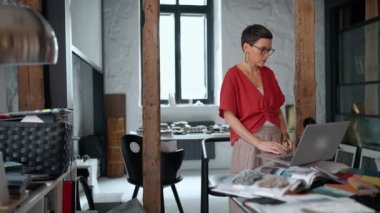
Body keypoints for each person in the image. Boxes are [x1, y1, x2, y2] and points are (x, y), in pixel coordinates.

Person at [219, 24, 294, 212]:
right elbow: (229, 116)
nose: (266, 55)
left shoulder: (269, 74)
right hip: (249, 143)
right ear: (246, 48)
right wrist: (258, 143)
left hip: (274, 143)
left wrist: (285, 137)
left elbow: (277, 109)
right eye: (262, 50)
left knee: (274, 198)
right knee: (246, 198)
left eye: (269, 50)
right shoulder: (233, 76)